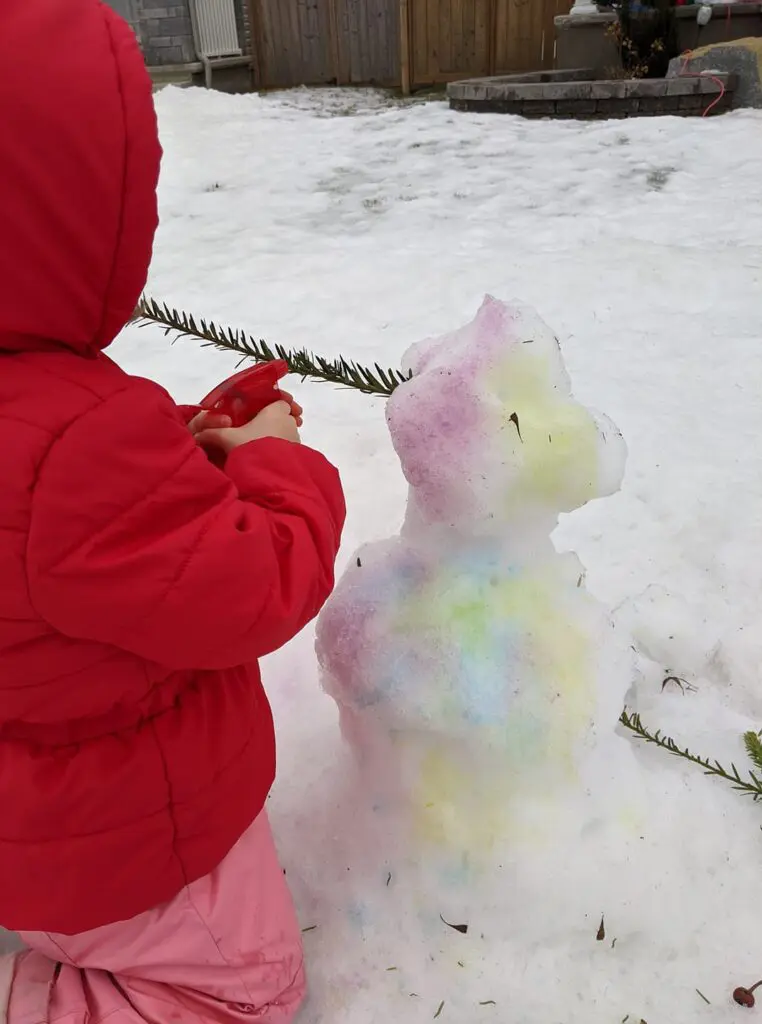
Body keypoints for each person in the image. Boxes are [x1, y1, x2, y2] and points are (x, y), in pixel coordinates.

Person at [0, 1, 346, 1021]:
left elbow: (57, 552)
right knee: (248, 994)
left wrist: (186, 456)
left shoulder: (62, 430)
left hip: (30, 815)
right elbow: (255, 582)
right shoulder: (78, 437)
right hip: (120, 848)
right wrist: (278, 463)